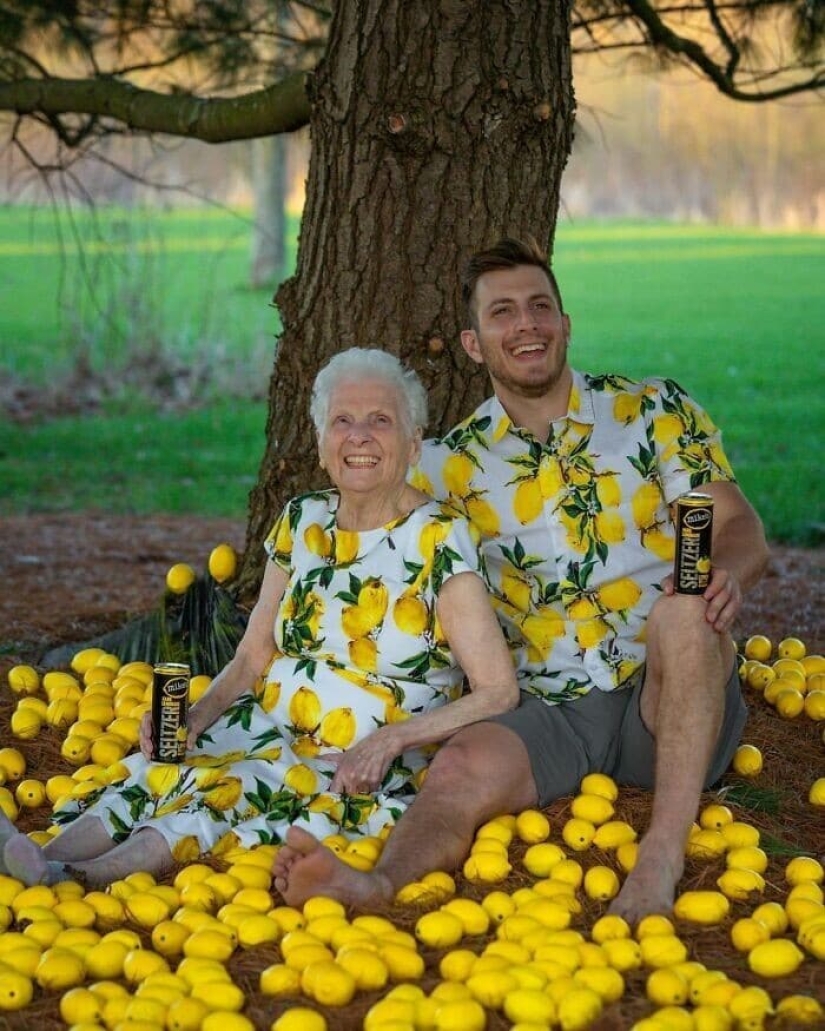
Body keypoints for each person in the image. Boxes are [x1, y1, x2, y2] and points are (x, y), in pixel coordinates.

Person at [273, 237, 768, 922]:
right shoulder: (445, 467)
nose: (526, 323)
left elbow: (738, 525)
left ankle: (660, 853)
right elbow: (365, 531)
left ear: (564, 324)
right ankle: (375, 884)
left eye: (540, 306)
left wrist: (726, 574)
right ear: (473, 344)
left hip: (666, 688)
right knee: (456, 770)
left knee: (683, 615)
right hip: (544, 709)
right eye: (502, 312)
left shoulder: (651, 412)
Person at [0, 348, 518, 889]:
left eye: (380, 420)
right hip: (266, 726)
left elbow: (498, 691)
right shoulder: (302, 519)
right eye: (342, 420)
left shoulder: (440, 539)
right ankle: (32, 857)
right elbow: (252, 654)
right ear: (321, 444)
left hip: (353, 762)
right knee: (159, 770)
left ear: (413, 444)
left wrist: (393, 741)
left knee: (233, 792)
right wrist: (195, 717)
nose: (359, 435)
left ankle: (75, 878)